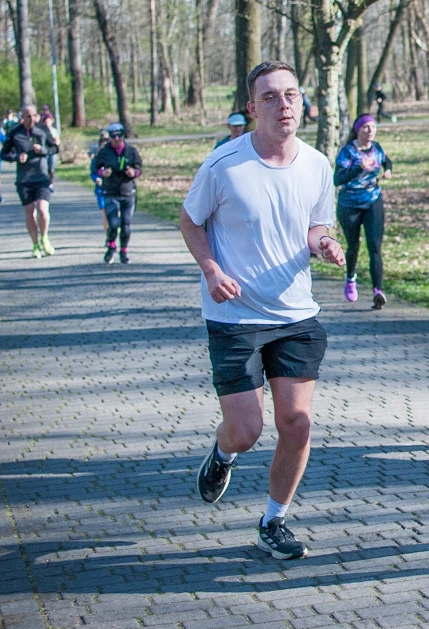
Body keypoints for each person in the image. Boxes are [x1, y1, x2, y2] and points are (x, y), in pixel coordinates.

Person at [180, 61, 344, 560]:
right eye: (270, 97)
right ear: (252, 108)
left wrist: (325, 244)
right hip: (234, 317)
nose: (284, 104)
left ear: (302, 103)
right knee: (248, 430)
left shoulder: (317, 164)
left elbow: (316, 226)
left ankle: (274, 520)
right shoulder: (223, 165)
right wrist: (211, 270)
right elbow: (190, 223)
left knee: (296, 423)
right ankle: (223, 452)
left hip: (295, 315)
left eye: (291, 95)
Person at [334, 114, 392, 309]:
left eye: (373, 127)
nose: (370, 131)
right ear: (358, 130)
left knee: (374, 246)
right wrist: (358, 168)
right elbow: (338, 179)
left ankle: (378, 291)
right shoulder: (348, 152)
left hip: (373, 200)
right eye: (366, 127)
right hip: (349, 203)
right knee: (353, 246)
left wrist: (388, 170)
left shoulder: (377, 148)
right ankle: (350, 278)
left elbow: (386, 161)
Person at [1, 105, 58, 258]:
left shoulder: (42, 129)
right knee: (29, 212)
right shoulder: (14, 132)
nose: (31, 119)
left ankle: (44, 237)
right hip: (24, 179)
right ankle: (35, 244)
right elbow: (4, 154)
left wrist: (43, 151)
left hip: (42, 176)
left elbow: (55, 148)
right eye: (28, 116)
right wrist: (16, 157)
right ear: (22, 117)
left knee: (43, 210)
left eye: (34, 115)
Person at [93, 123, 142, 264]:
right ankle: (111, 246)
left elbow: (139, 167)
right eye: (113, 136)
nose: (116, 139)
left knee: (126, 225)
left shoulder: (131, 151)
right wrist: (103, 173)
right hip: (110, 192)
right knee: (113, 224)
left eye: (119, 135)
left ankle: (124, 251)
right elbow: (96, 167)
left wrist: (133, 172)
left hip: (128, 192)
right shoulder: (104, 152)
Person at [41, 110, 61, 182]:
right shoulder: (42, 131)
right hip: (45, 151)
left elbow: (58, 140)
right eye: (46, 122)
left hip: (53, 152)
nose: (47, 124)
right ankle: (46, 181)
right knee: (45, 168)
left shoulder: (54, 131)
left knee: (51, 168)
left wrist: (56, 142)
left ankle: (51, 181)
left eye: (49, 122)